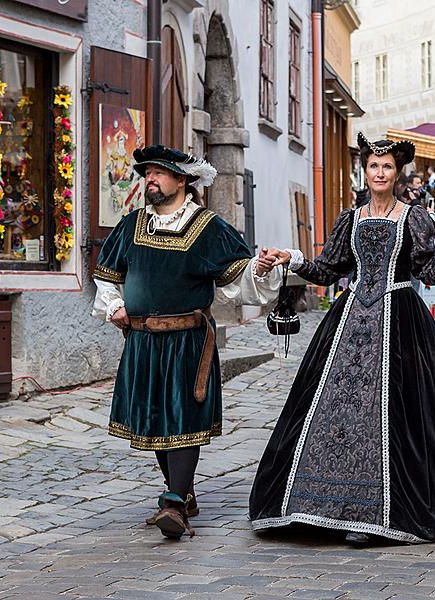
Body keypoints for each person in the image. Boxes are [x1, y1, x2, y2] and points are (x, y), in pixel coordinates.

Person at [248, 132, 435, 544]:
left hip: (399, 321)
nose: (379, 173)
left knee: (395, 415)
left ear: (397, 173)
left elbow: (430, 275)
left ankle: (378, 512)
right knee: (332, 413)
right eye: (373, 166)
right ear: (364, 171)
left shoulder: (413, 217)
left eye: (387, 167)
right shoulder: (352, 218)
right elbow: (329, 271)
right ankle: (319, 507)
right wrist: (290, 259)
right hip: (348, 321)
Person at [92, 145, 282, 539]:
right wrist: (113, 306)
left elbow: (237, 278)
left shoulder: (208, 227)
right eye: (147, 174)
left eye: (160, 173)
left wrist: (259, 269)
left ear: (183, 180)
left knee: (181, 418)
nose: (151, 180)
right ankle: (182, 493)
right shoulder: (131, 226)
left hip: (188, 342)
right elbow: (107, 274)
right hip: (143, 341)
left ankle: (175, 502)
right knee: (158, 421)